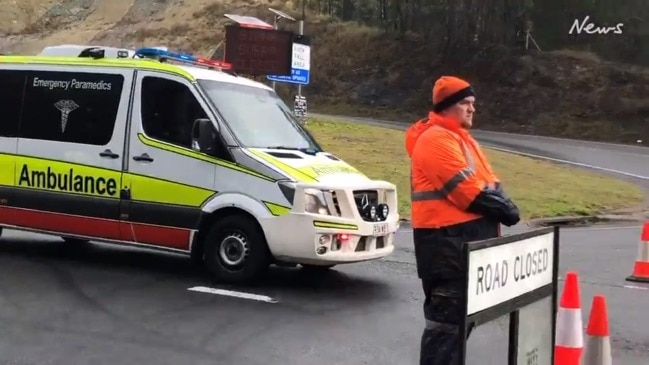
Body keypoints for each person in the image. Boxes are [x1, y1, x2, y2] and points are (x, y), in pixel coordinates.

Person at [405, 76, 521, 364]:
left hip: (462, 248)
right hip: (446, 249)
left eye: (473, 103)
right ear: (446, 107)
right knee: (445, 332)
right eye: (464, 103)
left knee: (457, 331)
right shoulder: (435, 140)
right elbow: (469, 192)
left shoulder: (462, 139)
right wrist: (506, 209)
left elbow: (491, 184)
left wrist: (495, 197)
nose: (471, 109)